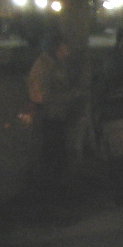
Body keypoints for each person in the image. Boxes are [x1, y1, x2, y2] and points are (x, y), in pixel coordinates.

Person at [27, 31, 83, 194]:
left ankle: (57, 188)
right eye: (66, 46)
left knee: (59, 153)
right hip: (48, 117)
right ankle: (50, 190)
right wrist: (69, 96)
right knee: (51, 153)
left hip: (59, 115)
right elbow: (40, 95)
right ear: (58, 47)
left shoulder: (59, 63)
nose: (69, 50)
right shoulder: (44, 65)